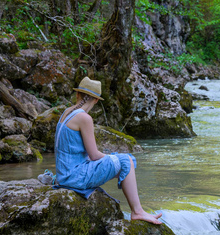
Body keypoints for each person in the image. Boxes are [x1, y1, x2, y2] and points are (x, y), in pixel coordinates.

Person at [54, 77, 162, 225]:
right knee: (126, 161)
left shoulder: (67, 112)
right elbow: (94, 155)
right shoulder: (84, 118)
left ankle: (138, 210)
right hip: (74, 177)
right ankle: (137, 211)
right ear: (96, 100)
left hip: (63, 175)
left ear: (78, 95)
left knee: (122, 162)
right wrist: (114, 158)